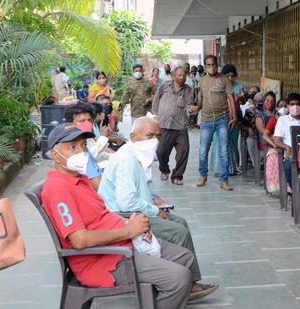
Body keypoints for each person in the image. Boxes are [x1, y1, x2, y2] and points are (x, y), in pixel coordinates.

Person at [42, 124, 194, 308]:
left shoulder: (80, 179)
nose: (81, 151)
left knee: (185, 258)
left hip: (120, 245)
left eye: (83, 145)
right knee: (180, 278)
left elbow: (103, 214)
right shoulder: (58, 188)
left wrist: (133, 224)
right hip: (105, 260)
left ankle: (155, 298)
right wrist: (129, 231)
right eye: (72, 147)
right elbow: (79, 240)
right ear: (55, 155)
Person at [98, 116, 218, 300]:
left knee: (180, 222)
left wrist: (153, 200)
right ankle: (187, 283)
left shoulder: (136, 156)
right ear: (133, 136)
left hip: (134, 211)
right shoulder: (127, 160)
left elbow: (136, 190)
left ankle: (187, 279)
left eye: (157, 136)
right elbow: (127, 202)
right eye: (149, 135)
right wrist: (154, 211)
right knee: (178, 232)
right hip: (123, 216)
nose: (154, 141)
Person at [195, 55, 237, 191]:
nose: (211, 67)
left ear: (217, 64)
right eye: (208, 65)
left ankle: (224, 180)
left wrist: (234, 116)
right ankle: (202, 175)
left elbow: (230, 98)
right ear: (205, 66)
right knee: (203, 150)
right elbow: (200, 99)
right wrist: (196, 108)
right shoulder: (201, 81)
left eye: (213, 64)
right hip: (206, 120)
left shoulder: (224, 79)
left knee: (223, 151)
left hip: (222, 119)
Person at [152, 66, 197, 185]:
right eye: (179, 75)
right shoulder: (165, 86)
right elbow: (156, 99)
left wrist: (190, 110)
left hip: (180, 126)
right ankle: (164, 169)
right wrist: (155, 115)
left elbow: (189, 104)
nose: (182, 77)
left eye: (184, 75)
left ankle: (177, 176)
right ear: (173, 76)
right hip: (164, 125)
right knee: (161, 152)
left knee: (183, 151)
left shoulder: (188, 90)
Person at [273, 93, 300, 190]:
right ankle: (297, 193)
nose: (295, 107)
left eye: (298, 104)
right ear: (288, 106)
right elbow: (276, 140)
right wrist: (286, 147)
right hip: (291, 154)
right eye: (292, 104)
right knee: (289, 168)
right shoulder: (282, 120)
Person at [261, 94, 283, 196]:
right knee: (274, 157)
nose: (283, 108)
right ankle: (275, 187)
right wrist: (273, 144)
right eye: (281, 106)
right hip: (275, 145)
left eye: (285, 106)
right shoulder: (273, 119)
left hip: (289, 147)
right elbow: (265, 135)